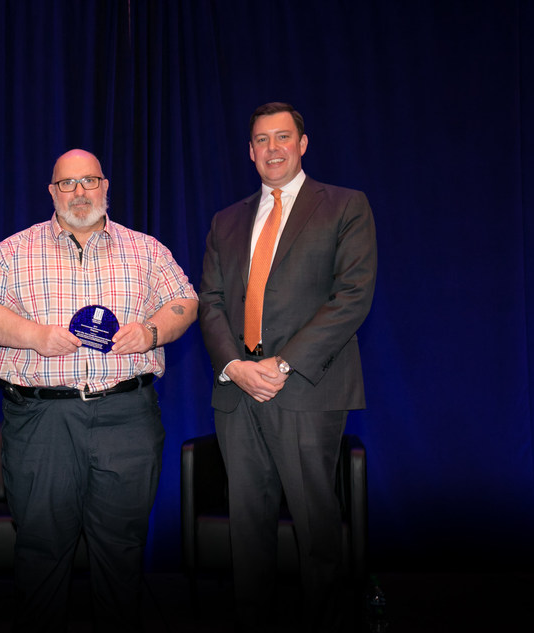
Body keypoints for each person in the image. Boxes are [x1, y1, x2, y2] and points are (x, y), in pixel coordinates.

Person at [0, 149, 197, 632]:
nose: (79, 192)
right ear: (52, 192)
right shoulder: (10, 251)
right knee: (40, 549)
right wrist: (36, 336)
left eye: (89, 181)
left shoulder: (147, 250)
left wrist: (151, 331)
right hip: (42, 422)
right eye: (67, 184)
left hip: (127, 418)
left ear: (105, 186)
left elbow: (186, 301)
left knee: (122, 550)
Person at [198, 102, 377, 632]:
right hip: (238, 394)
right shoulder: (226, 220)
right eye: (261, 139)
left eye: (282, 137)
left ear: (302, 144)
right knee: (247, 533)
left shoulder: (344, 205)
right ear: (250, 151)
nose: (272, 148)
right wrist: (234, 365)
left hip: (305, 389)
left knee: (316, 531)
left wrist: (283, 363)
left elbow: (352, 296)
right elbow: (210, 301)